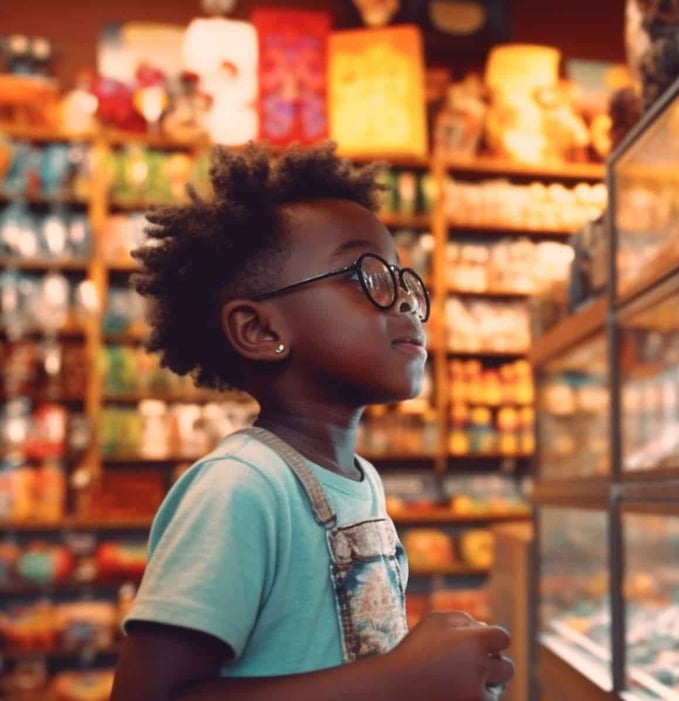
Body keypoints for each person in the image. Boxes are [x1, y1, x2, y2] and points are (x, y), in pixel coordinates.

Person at [111, 144, 514, 701]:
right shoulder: (240, 487)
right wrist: (404, 677)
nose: (403, 302)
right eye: (366, 275)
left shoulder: (361, 480)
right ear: (258, 329)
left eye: (404, 282)